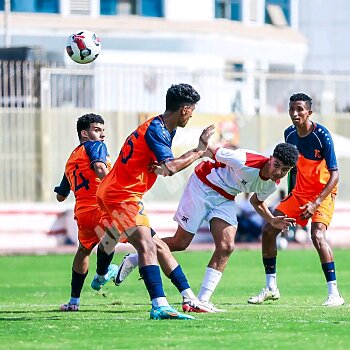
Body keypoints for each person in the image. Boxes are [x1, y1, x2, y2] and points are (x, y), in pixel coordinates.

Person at [116, 142, 299, 312]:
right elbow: (206, 150)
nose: (279, 172)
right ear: (270, 158)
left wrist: (272, 219)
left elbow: (256, 201)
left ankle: (201, 301)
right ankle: (136, 257)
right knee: (181, 243)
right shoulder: (243, 159)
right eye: (277, 165)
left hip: (226, 197)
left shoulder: (272, 185)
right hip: (202, 185)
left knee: (227, 247)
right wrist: (170, 167)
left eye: (285, 170)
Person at [92, 83, 215, 320]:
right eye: (193, 110)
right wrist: (199, 150)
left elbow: (161, 166)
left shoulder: (161, 127)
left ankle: (101, 275)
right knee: (147, 246)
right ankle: (159, 305)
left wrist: (161, 167)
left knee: (152, 245)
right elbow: (169, 167)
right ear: (185, 110)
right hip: (123, 194)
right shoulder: (157, 130)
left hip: (114, 189)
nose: (192, 115)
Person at [248, 93, 345, 307]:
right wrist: (291, 194)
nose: (295, 113)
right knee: (268, 229)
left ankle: (334, 294)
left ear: (309, 112)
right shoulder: (289, 134)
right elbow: (290, 167)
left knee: (317, 235)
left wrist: (316, 203)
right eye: (292, 109)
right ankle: (271, 288)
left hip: (323, 193)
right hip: (300, 193)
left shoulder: (322, 136)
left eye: (300, 109)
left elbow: (335, 174)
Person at [54, 113, 118, 311]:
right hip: (102, 206)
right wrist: (114, 189)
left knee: (83, 250)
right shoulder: (95, 146)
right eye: (97, 130)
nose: (102, 135)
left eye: (102, 131)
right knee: (138, 239)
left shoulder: (72, 159)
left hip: (82, 212)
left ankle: (74, 301)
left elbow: (60, 196)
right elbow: (99, 167)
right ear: (84, 133)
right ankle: (101, 275)